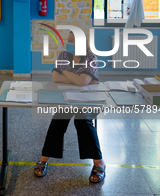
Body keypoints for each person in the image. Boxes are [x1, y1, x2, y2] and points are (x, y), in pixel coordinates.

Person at [34, 31, 106, 183]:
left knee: (82, 121)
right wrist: (78, 78)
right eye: (68, 40)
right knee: (59, 119)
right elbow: (55, 77)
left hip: (89, 100)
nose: (68, 43)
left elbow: (82, 82)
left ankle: (99, 163)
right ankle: (44, 159)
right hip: (67, 98)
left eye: (72, 41)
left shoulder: (91, 58)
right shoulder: (63, 55)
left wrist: (65, 72)